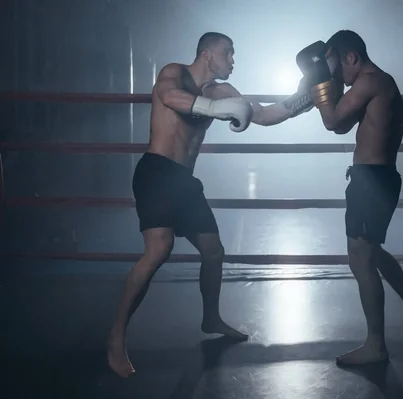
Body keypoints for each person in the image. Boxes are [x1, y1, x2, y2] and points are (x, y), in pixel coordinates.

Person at [107, 31, 315, 378]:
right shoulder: (176, 73)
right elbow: (168, 96)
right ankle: (115, 335)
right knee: (159, 249)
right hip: (157, 172)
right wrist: (215, 110)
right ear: (207, 54)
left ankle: (211, 318)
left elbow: (262, 115)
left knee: (213, 251)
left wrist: (303, 98)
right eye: (227, 53)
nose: (232, 60)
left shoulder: (223, 91)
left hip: (184, 182)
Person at [296, 31, 403, 366]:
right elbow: (344, 127)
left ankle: (376, 345)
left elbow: (331, 121)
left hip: (373, 180)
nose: (336, 77)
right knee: (372, 252)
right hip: (374, 177)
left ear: (351, 58)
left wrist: (317, 81)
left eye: (336, 68)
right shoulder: (375, 83)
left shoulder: (371, 81)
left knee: (360, 259)